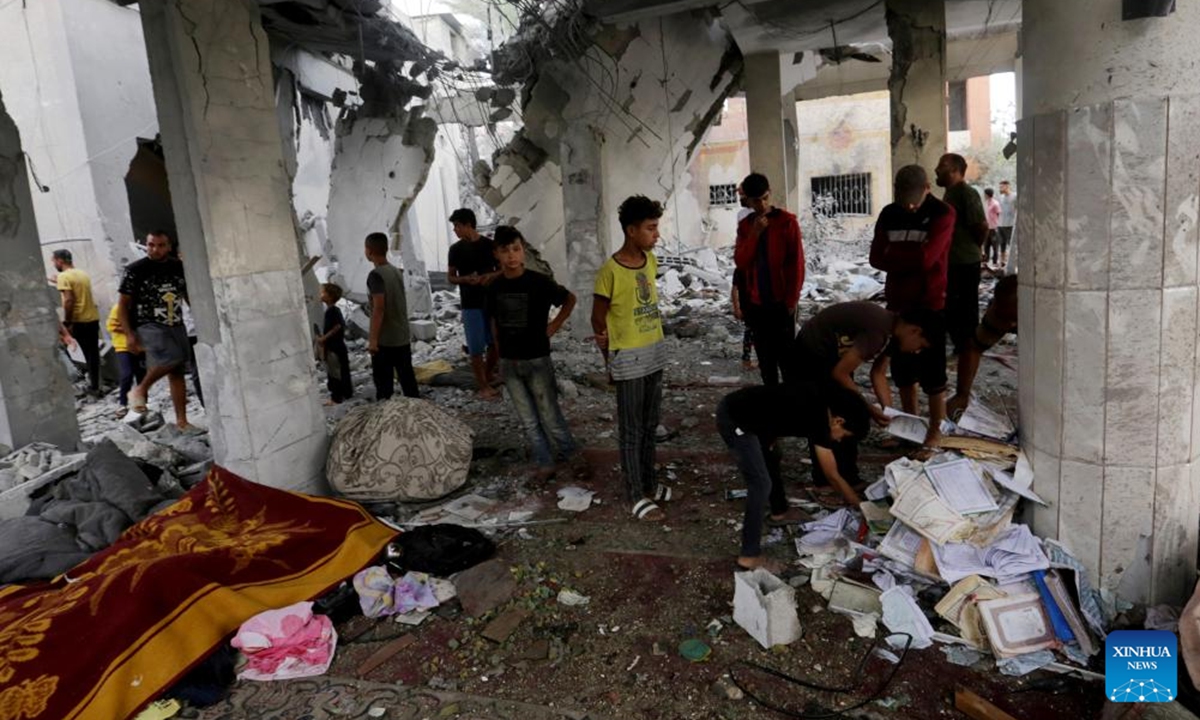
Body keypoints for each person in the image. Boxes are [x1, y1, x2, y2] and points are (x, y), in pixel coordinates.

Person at [718, 382, 869, 570]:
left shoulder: (826, 403)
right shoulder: (821, 419)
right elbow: (832, 475)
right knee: (760, 484)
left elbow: (779, 407)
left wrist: (770, 436)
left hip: (757, 418)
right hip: (735, 419)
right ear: (838, 421)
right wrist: (862, 507)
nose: (839, 439)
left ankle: (780, 512)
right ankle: (748, 556)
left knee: (772, 456)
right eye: (843, 435)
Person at [789, 301, 932, 491]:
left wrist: (889, 413)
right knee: (830, 417)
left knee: (849, 411)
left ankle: (848, 475)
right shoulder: (879, 332)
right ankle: (825, 481)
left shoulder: (892, 331)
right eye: (920, 345)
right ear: (914, 331)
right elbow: (840, 373)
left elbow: (878, 373)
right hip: (814, 355)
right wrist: (868, 407)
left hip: (838, 357)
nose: (917, 350)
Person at [592, 195, 672, 521]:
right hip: (628, 360)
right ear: (631, 230)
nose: (657, 235)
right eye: (651, 228)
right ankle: (635, 493)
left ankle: (650, 484)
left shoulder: (649, 262)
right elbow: (598, 321)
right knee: (631, 430)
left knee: (650, 425)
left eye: (657, 228)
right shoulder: (609, 272)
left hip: (654, 353)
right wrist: (608, 361)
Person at [869, 164, 955, 450]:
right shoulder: (889, 213)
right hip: (898, 302)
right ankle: (910, 430)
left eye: (914, 201)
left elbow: (927, 260)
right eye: (903, 199)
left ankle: (934, 432)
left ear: (927, 188)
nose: (908, 206)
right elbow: (875, 258)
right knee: (903, 371)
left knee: (933, 373)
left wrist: (896, 255)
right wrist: (910, 257)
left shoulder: (943, 213)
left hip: (930, 303)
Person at [487, 226, 578, 480]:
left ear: (523, 251)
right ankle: (544, 461)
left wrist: (554, 326)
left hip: (537, 359)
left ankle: (572, 456)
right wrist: (497, 356)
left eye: (516, 249)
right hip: (509, 362)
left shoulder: (539, 282)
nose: (511, 256)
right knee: (528, 419)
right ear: (497, 254)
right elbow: (493, 322)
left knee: (550, 415)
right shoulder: (494, 288)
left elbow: (569, 299)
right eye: (505, 251)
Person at [732, 172, 805, 386]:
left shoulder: (786, 222)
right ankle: (773, 408)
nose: (762, 205)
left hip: (781, 303)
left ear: (769, 194)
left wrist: (792, 300)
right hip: (756, 305)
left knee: (787, 360)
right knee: (766, 362)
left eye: (765, 198)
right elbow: (741, 261)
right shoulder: (746, 225)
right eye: (757, 201)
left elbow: (797, 265)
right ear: (749, 200)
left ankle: (791, 406)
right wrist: (755, 234)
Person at [119, 231, 192, 429]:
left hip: (175, 321)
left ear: (169, 247)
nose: (155, 249)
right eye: (151, 245)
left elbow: (187, 293)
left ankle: (182, 422)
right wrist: (129, 334)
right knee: (172, 357)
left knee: (176, 370)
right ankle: (140, 389)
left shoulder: (178, 267)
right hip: (148, 323)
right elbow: (123, 305)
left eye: (160, 245)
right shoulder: (136, 269)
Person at [936, 153, 989, 355]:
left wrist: (974, 247)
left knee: (965, 307)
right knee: (952, 305)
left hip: (965, 262)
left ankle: (968, 347)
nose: (936, 170)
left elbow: (981, 225)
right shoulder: (950, 193)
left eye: (942, 165)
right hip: (952, 262)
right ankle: (959, 344)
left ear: (956, 171)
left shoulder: (967, 193)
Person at [947, 274, 1019, 418]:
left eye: (1013, 319)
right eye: (1006, 318)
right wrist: (962, 394)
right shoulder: (1002, 310)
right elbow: (973, 348)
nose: (1010, 324)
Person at [448, 208, 501, 399]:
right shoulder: (455, 250)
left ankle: (486, 375)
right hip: (470, 304)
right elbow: (451, 277)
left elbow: (501, 270)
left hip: (491, 301)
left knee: (495, 343)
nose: (455, 230)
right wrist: (466, 279)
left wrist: (489, 276)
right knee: (476, 347)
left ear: (467, 225)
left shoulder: (489, 245)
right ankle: (483, 386)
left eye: (457, 226)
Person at [364, 232, 419, 400]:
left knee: (384, 385)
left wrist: (373, 340)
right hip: (401, 335)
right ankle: (418, 414)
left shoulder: (375, 275)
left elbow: (379, 308)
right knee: (407, 379)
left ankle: (385, 417)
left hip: (385, 340)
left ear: (369, 251)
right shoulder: (395, 271)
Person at [51, 249, 102, 396]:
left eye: (54, 261)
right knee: (93, 354)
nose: (54, 264)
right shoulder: (82, 274)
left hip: (79, 320)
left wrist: (67, 321)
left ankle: (84, 383)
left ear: (60, 260)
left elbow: (69, 300)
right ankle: (95, 385)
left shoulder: (64, 277)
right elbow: (77, 289)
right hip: (92, 318)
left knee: (65, 347)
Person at [316, 282, 353, 405]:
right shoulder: (333, 310)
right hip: (337, 346)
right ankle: (346, 393)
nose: (321, 294)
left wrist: (324, 339)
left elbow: (337, 326)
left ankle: (336, 398)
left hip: (334, 347)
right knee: (340, 371)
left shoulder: (332, 311)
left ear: (330, 296)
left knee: (334, 373)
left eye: (323, 292)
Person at [106, 304, 146, 418]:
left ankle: (142, 403)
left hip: (139, 347)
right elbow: (110, 326)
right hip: (123, 346)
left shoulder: (141, 307)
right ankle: (122, 403)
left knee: (141, 375)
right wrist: (130, 331)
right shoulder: (118, 308)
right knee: (127, 374)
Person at [996, 180, 1016, 269]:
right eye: (999, 187)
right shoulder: (1000, 197)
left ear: (1007, 186)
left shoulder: (1015, 196)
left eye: (1002, 187)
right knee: (1002, 244)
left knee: (1010, 244)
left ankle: (1012, 264)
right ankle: (1002, 263)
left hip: (1010, 224)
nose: (1000, 188)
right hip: (1000, 224)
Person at [983, 188, 1002, 267]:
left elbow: (999, 213)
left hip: (993, 228)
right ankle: (986, 261)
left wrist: (995, 223)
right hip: (987, 228)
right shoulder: (986, 203)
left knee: (995, 246)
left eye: (985, 194)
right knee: (986, 245)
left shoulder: (995, 203)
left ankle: (994, 262)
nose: (984, 196)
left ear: (987, 194)